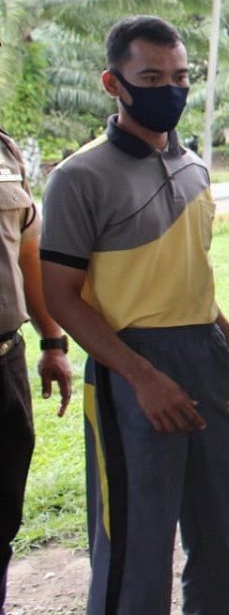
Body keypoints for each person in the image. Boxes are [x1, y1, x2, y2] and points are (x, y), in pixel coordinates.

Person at [39, 16, 229, 615]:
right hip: (130, 367)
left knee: (222, 535)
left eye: (180, 76)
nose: (170, 88)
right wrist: (141, 376)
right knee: (134, 545)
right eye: (151, 77)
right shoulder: (78, 177)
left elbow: (189, 274)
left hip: (205, 356)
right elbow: (61, 296)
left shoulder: (194, 167)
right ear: (113, 83)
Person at [0, 127, 71, 615]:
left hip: (4, 362)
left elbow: (27, 252)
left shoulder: (3, 149)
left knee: (3, 511)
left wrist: (52, 341)